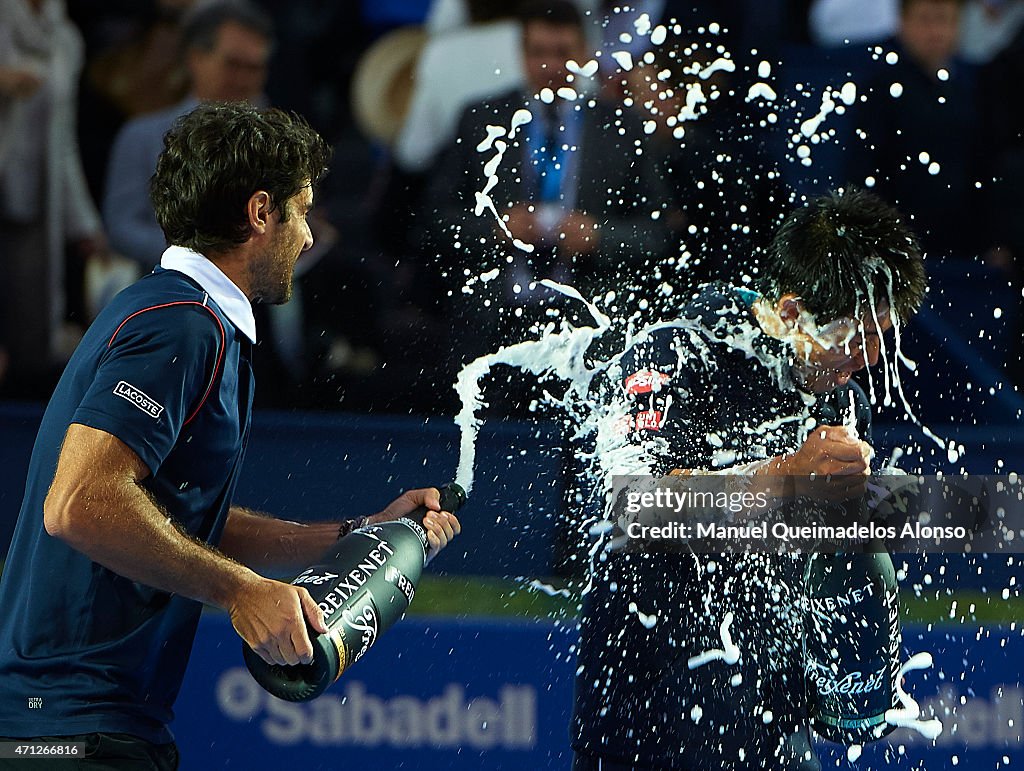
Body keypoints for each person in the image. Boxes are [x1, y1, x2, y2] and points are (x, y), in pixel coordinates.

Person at [0, 102, 461, 769]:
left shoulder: (176, 314)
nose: (307, 237)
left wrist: (352, 535)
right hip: (69, 729)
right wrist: (240, 589)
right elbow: (80, 504)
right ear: (260, 213)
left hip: (88, 725)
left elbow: (173, 519)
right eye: (301, 211)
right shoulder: (181, 326)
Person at [571, 188, 927, 769]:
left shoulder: (836, 395)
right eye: (859, 337)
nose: (870, 358)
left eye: (885, 340)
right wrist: (785, 476)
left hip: (770, 731)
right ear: (791, 314)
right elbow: (629, 507)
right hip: (654, 722)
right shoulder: (678, 351)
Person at [425, 0, 672, 362]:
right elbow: (437, 217)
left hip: (587, 320)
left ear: (585, 53)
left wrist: (598, 236)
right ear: (521, 54)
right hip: (494, 318)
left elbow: (658, 233)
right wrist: (496, 230)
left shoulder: (622, 127)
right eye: (539, 53)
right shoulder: (480, 119)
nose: (550, 66)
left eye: (562, 53)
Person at [103, 0, 273, 269]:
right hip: (169, 286)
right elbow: (121, 228)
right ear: (195, 58)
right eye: (233, 64)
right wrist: (203, 254)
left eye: (254, 68)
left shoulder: (278, 140)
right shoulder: (143, 135)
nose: (243, 79)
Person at [0, 0, 105, 396]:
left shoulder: (65, 38)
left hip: (33, 206)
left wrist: (85, 223)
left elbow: (63, 143)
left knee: (29, 345)